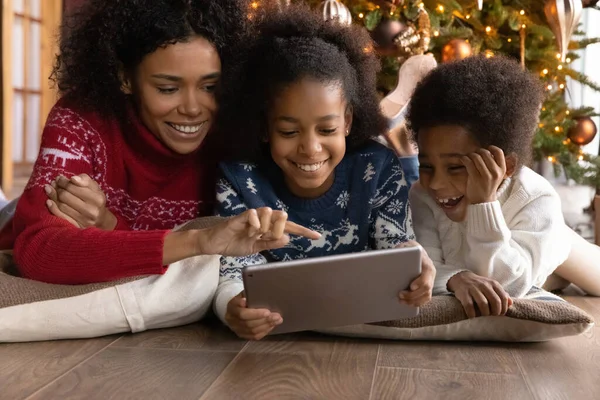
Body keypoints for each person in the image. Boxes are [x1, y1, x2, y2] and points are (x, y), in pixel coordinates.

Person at [0, 0, 319, 286]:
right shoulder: (79, 119)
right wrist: (198, 242)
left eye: (210, 86)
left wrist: (109, 225)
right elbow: (38, 253)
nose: (193, 108)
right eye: (168, 88)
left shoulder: (239, 126)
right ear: (125, 78)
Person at [211, 5, 436, 340]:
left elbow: (395, 243)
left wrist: (417, 261)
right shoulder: (239, 179)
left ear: (347, 121)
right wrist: (232, 305)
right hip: (275, 343)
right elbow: (231, 272)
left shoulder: (377, 167)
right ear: (264, 127)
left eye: (327, 130)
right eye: (289, 132)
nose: (310, 149)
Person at [406, 55, 600, 319]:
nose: (436, 183)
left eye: (456, 167)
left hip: (555, 244)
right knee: (543, 277)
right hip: (519, 259)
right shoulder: (422, 194)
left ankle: (555, 269)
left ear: (505, 166)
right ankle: (552, 277)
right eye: (426, 166)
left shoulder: (536, 198)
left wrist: (483, 203)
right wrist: (455, 278)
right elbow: (422, 262)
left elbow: (508, 288)